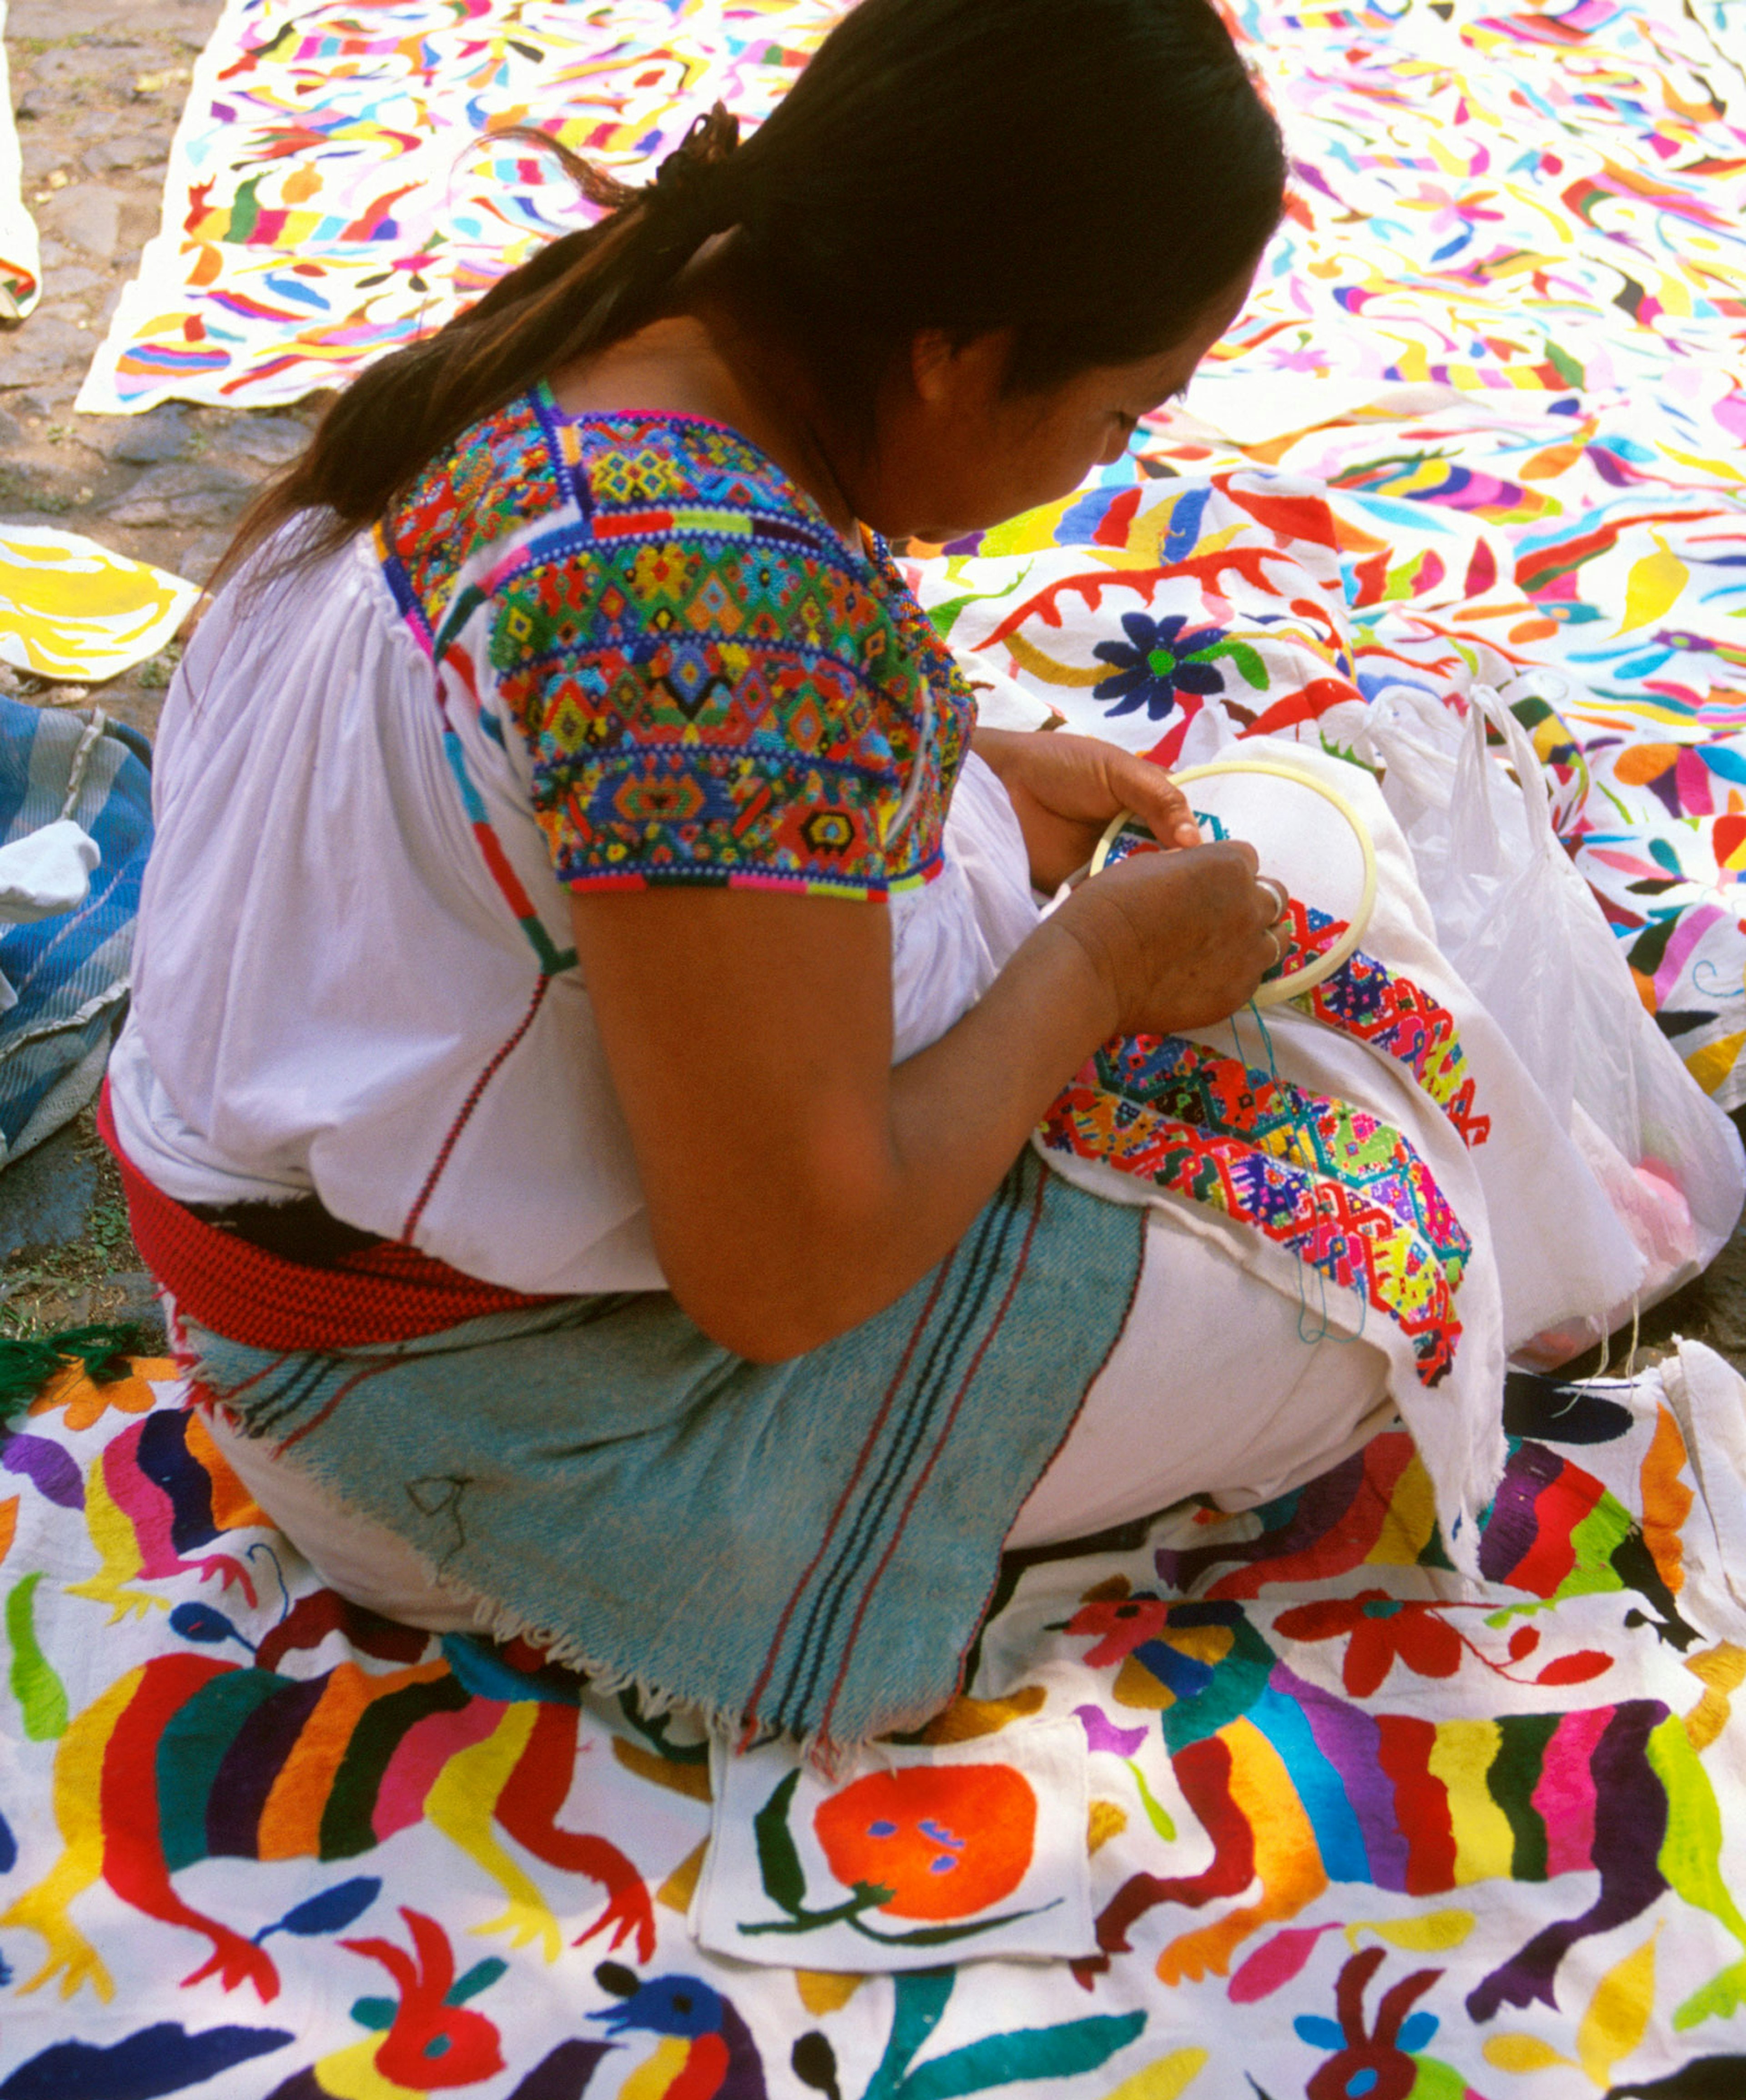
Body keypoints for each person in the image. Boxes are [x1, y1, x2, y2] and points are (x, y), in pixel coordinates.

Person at [103, 0, 1641, 1761]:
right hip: (452, 1414)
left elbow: (578, 777)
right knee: (1393, 1276)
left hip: (291, 1278)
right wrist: (1096, 975)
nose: (1109, 465)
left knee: (1295, 1100)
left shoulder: (631, 328)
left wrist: (961, 769)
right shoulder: (713, 601)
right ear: (957, 353)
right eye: (1124, 415)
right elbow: (780, 1269)